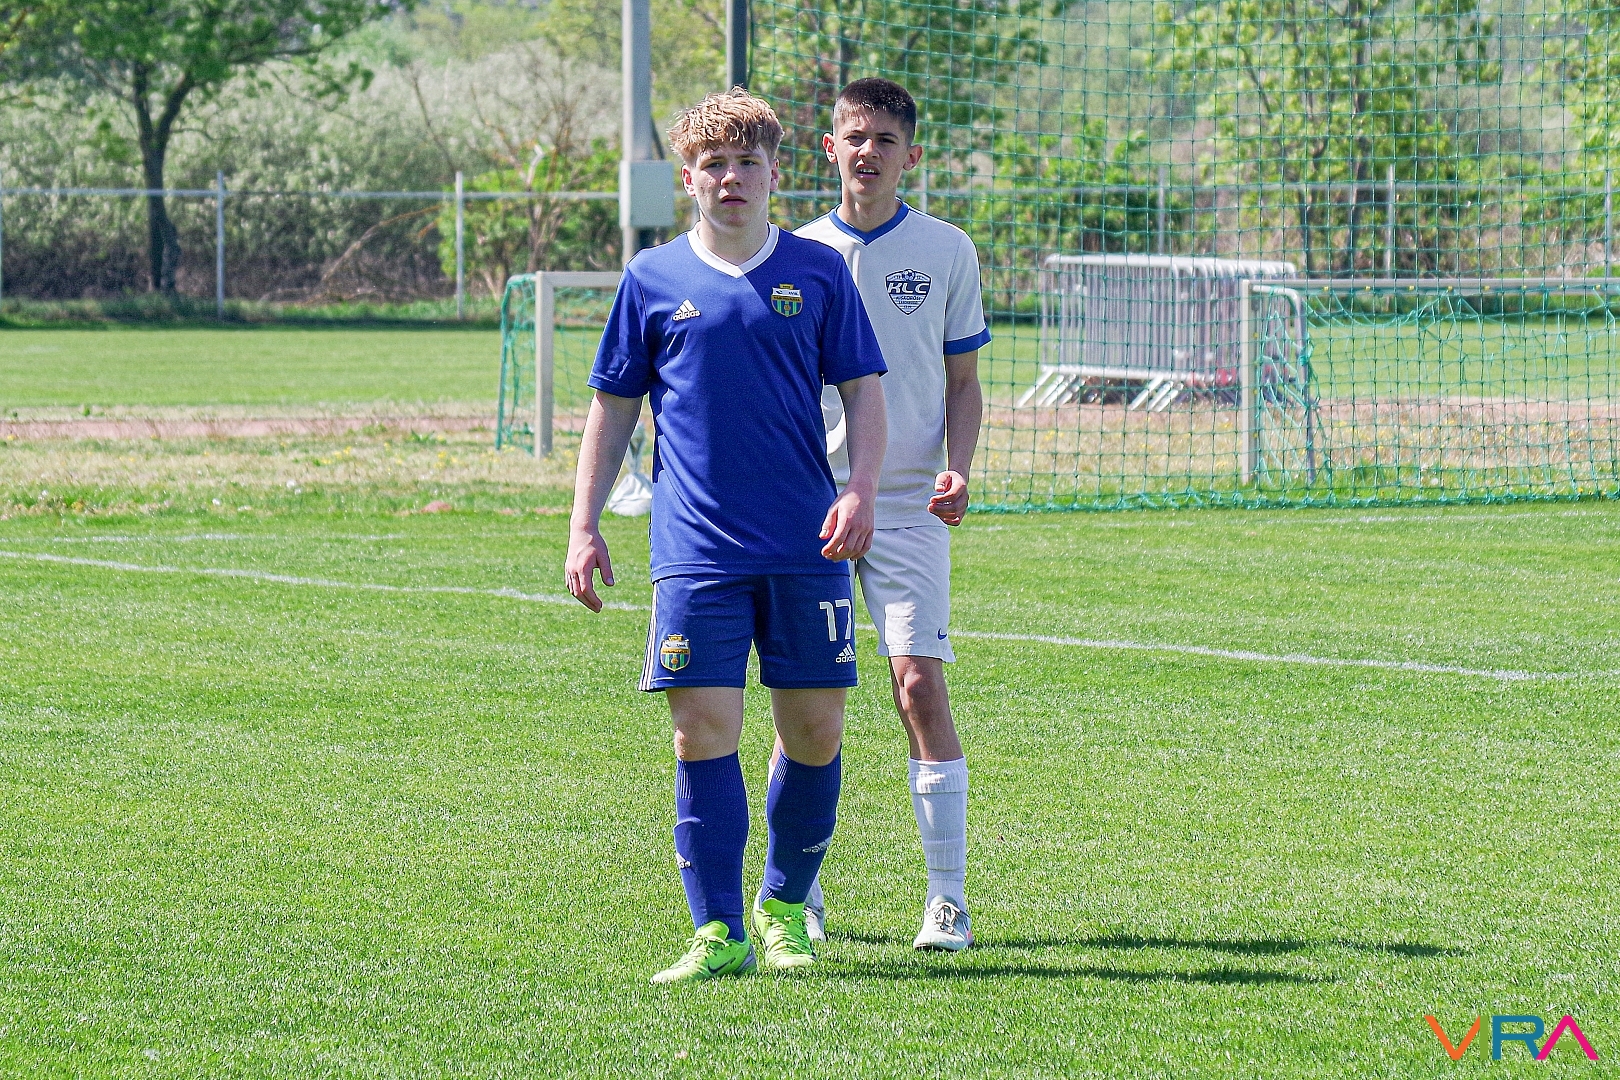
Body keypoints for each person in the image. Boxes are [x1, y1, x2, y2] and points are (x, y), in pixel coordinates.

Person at [565, 88, 888, 984]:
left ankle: (784, 909)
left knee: (815, 731)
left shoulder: (819, 274)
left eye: (748, 162)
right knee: (701, 730)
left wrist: (860, 489)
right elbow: (612, 409)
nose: (732, 178)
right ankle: (717, 932)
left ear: (776, 172)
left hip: (806, 544)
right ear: (689, 178)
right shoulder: (651, 279)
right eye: (714, 164)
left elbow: (864, 392)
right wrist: (584, 525)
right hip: (696, 550)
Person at [794, 77, 989, 951]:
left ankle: (946, 901)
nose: (867, 151)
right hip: (813, 507)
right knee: (808, 701)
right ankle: (796, 894)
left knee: (918, 686)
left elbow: (963, 381)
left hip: (909, 505)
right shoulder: (794, 252)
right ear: (829, 148)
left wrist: (961, 468)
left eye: (884, 139)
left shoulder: (947, 250)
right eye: (854, 136)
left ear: (912, 154)